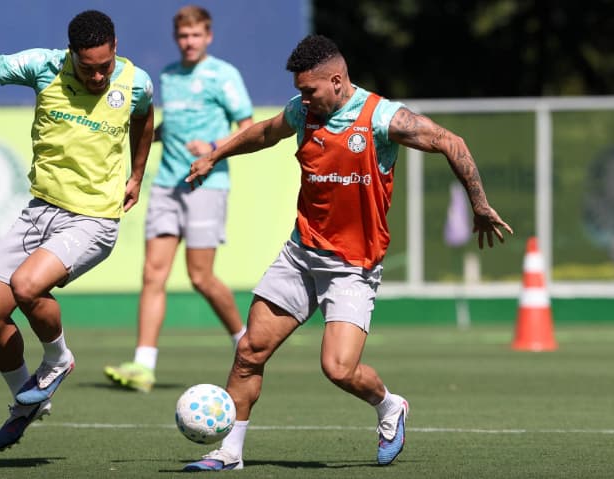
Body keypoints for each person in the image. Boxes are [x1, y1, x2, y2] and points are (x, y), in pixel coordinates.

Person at [181, 34, 513, 471]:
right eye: (300, 91)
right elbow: (264, 132)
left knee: (338, 369)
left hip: (353, 267)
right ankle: (230, 451)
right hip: (301, 254)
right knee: (249, 352)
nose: (302, 99)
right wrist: (215, 155)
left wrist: (480, 204)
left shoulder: (381, 118)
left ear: (337, 81)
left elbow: (451, 142)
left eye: (309, 90)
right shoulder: (303, 111)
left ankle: (389, 405)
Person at [0, 10, 155, 451]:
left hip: (94, 218)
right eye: (88, 68)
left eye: (105, 65)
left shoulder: (136, 82)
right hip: (40, 211)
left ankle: (59, 359)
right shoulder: (44, 65)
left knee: (26, 286)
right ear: (71, 56)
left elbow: (143, 118)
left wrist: (137, 174)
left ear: (116, 47)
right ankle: (25, 402)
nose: (99, 76)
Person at [104, 5, 253, 393]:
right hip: (167, 184)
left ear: (209, 36)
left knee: (201, 277)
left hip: (207, 184)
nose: (189, 42)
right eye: (183, 37)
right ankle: (143, 366)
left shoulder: (224, 75)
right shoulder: (167, 77)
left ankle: (247, 343)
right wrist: (148, 137)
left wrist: (214, 147)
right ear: (177, 39)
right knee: (153, 274)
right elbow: (169, 126)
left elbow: (249, 129)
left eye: (196, 35)